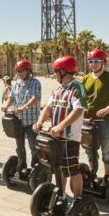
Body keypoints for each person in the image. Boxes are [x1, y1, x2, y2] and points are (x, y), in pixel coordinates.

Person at [33, 56, 87, 200]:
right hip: (54, 136)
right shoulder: (58, 89)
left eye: (56, 71)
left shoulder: (77, 87)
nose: (54, 74)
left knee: (72, 169)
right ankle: (62, 195)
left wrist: (60, 126)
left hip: (70, 137)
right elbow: (48, 108)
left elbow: (78, 110)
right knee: (58, 168)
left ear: (64, 71)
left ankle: (78, 200)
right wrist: (39, 121)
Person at [81, 49, 109, 177]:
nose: (93, 64)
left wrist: (108, 109)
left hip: (105, 121)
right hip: (87, 121)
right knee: (89, 150)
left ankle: (107, 177)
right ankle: (92, 174)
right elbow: (81, 98)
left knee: (106, 149)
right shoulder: (85, 78)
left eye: (96, 61)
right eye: (90, 61)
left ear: (103, 62)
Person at [1, 59, 42, 174]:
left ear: (28, 71)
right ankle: (21, 166)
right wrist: (5, 104)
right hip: (18, 121)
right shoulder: (16, 83)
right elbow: (12, 97)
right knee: (19, 147)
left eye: (21, 71)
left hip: (31, 121)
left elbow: (35, 98)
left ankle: (36, 168)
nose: (18, 73)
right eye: (17, 71)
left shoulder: (35, 83)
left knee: (33, 147)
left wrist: (23, 107)